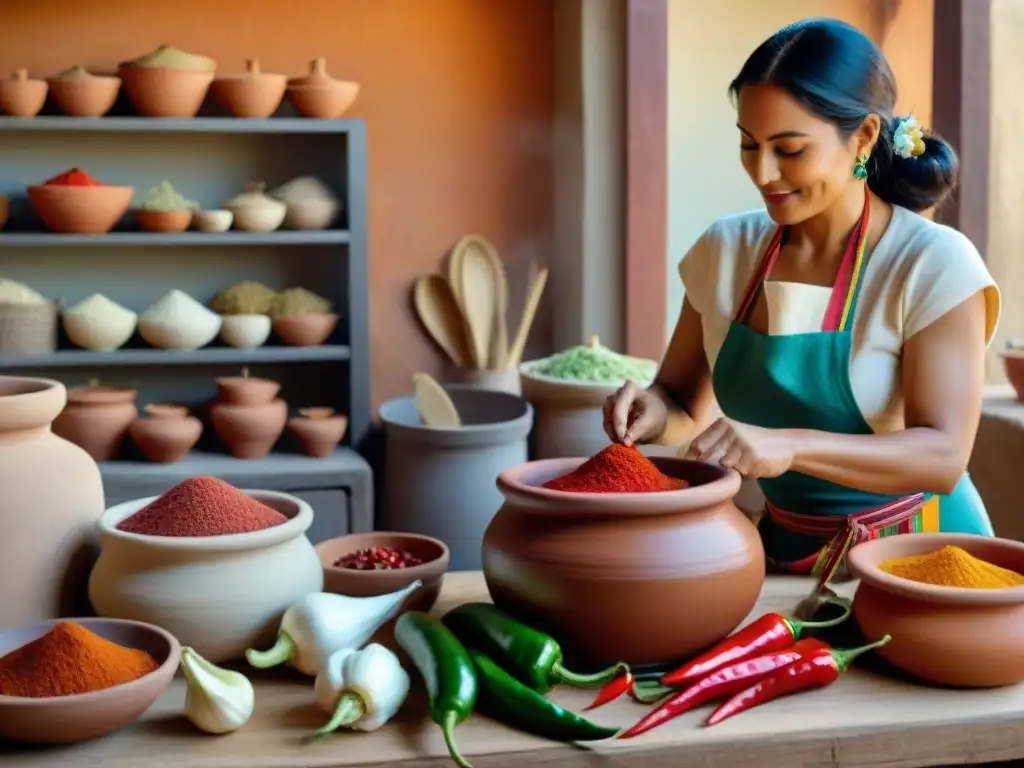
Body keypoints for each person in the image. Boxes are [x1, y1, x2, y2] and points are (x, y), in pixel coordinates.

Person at [603, 18, 1001, 576]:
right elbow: (682, 405)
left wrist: (787, 446)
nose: (762, 173)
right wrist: (650, 410)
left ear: (862, 138)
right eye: (748, 143)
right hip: (784, 552)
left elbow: (941, 456)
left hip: (921, 555)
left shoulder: (931, 264)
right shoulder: (725, 252)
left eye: (788, 149)